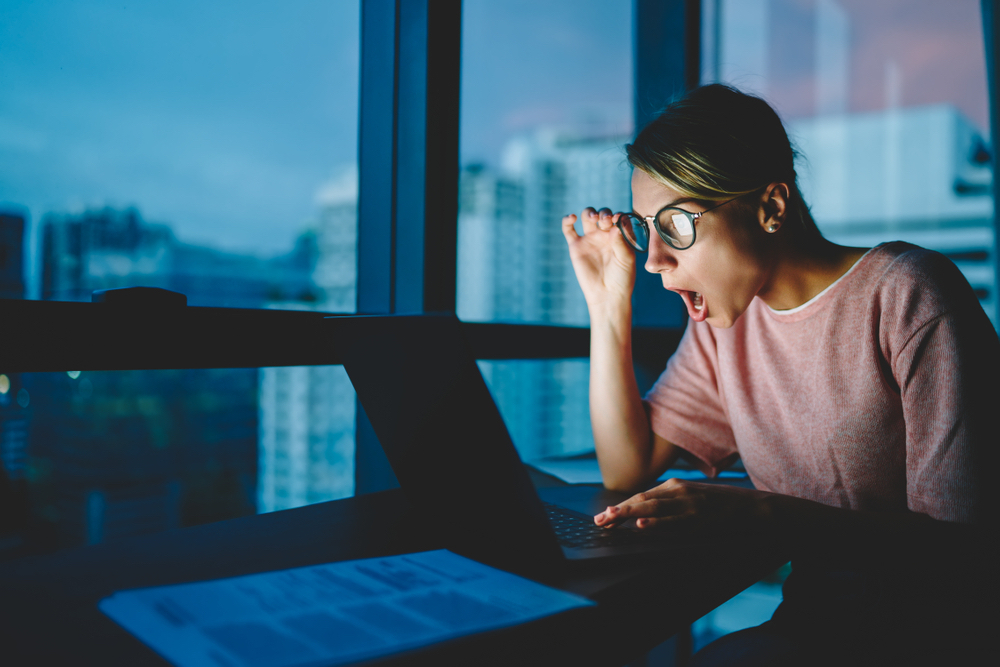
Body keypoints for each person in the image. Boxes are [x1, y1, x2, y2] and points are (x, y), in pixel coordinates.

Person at [561, 84, 998, 666]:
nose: (655, 261)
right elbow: (627, 466)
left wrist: (763, 515)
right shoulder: (725, 324)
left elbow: (965, 552)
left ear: (770, 207)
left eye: (676, 226)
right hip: (818, 625)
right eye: (646, 229)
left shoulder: (907, 293)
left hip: (939, 637)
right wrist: (607, 305)